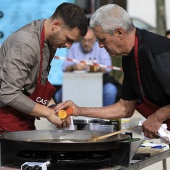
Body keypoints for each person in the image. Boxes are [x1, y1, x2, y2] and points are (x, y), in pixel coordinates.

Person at [55, 4, 170, 139]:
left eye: (102, 39)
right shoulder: (128, 57)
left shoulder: (157, 52)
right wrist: (78, 110)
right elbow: (124, 108)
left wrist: (157, 117)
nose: (100, 45)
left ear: (119, 32)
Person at [0, 2, 88, 133]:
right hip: (5, 117)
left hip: (22, 116)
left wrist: (54, 108)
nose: (69, 46)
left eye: (73, 42)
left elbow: (37, 82)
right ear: (56, 25)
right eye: (68, 39)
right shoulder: (26, 44)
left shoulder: (50, 41)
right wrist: (47, 113)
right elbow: (9, 93)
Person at [54, 27, 119, 106]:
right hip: (77, 84)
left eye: (90, 40)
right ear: (81, 39)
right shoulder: (74, 48)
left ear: (95, 39)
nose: (86, 43)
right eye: (84, 40)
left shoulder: (101, 48)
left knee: (110, 90)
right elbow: (64, 67)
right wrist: (74, 67)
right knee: (58, 95)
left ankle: (102, 115)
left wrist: (94, 68)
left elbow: (108, 67)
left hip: (99, 83)